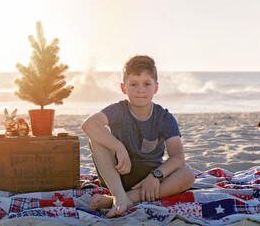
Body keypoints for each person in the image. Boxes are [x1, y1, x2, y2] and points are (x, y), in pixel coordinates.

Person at [81, 55, 195, 218]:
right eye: (134, 84)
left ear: (155, 88)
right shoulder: (118, 110)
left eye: (147, 84)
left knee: (188, 175)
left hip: (149, 181)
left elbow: (178, 157)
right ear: (123, 88)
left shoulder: (164, 118)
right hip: (117, 176)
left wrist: (156, 176)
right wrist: (118, 147)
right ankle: (119, 195)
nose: (140, 90)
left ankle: (122, 200)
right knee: (96, 139)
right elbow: (89, 124)